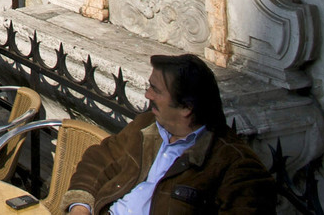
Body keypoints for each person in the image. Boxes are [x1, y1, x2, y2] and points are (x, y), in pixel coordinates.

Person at [62, 54, 274, 214]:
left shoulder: (234, 165)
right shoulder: (147, 126)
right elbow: (99, 158)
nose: (147, 95)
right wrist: (80, 206)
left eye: (156, 90)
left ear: (186, 107)